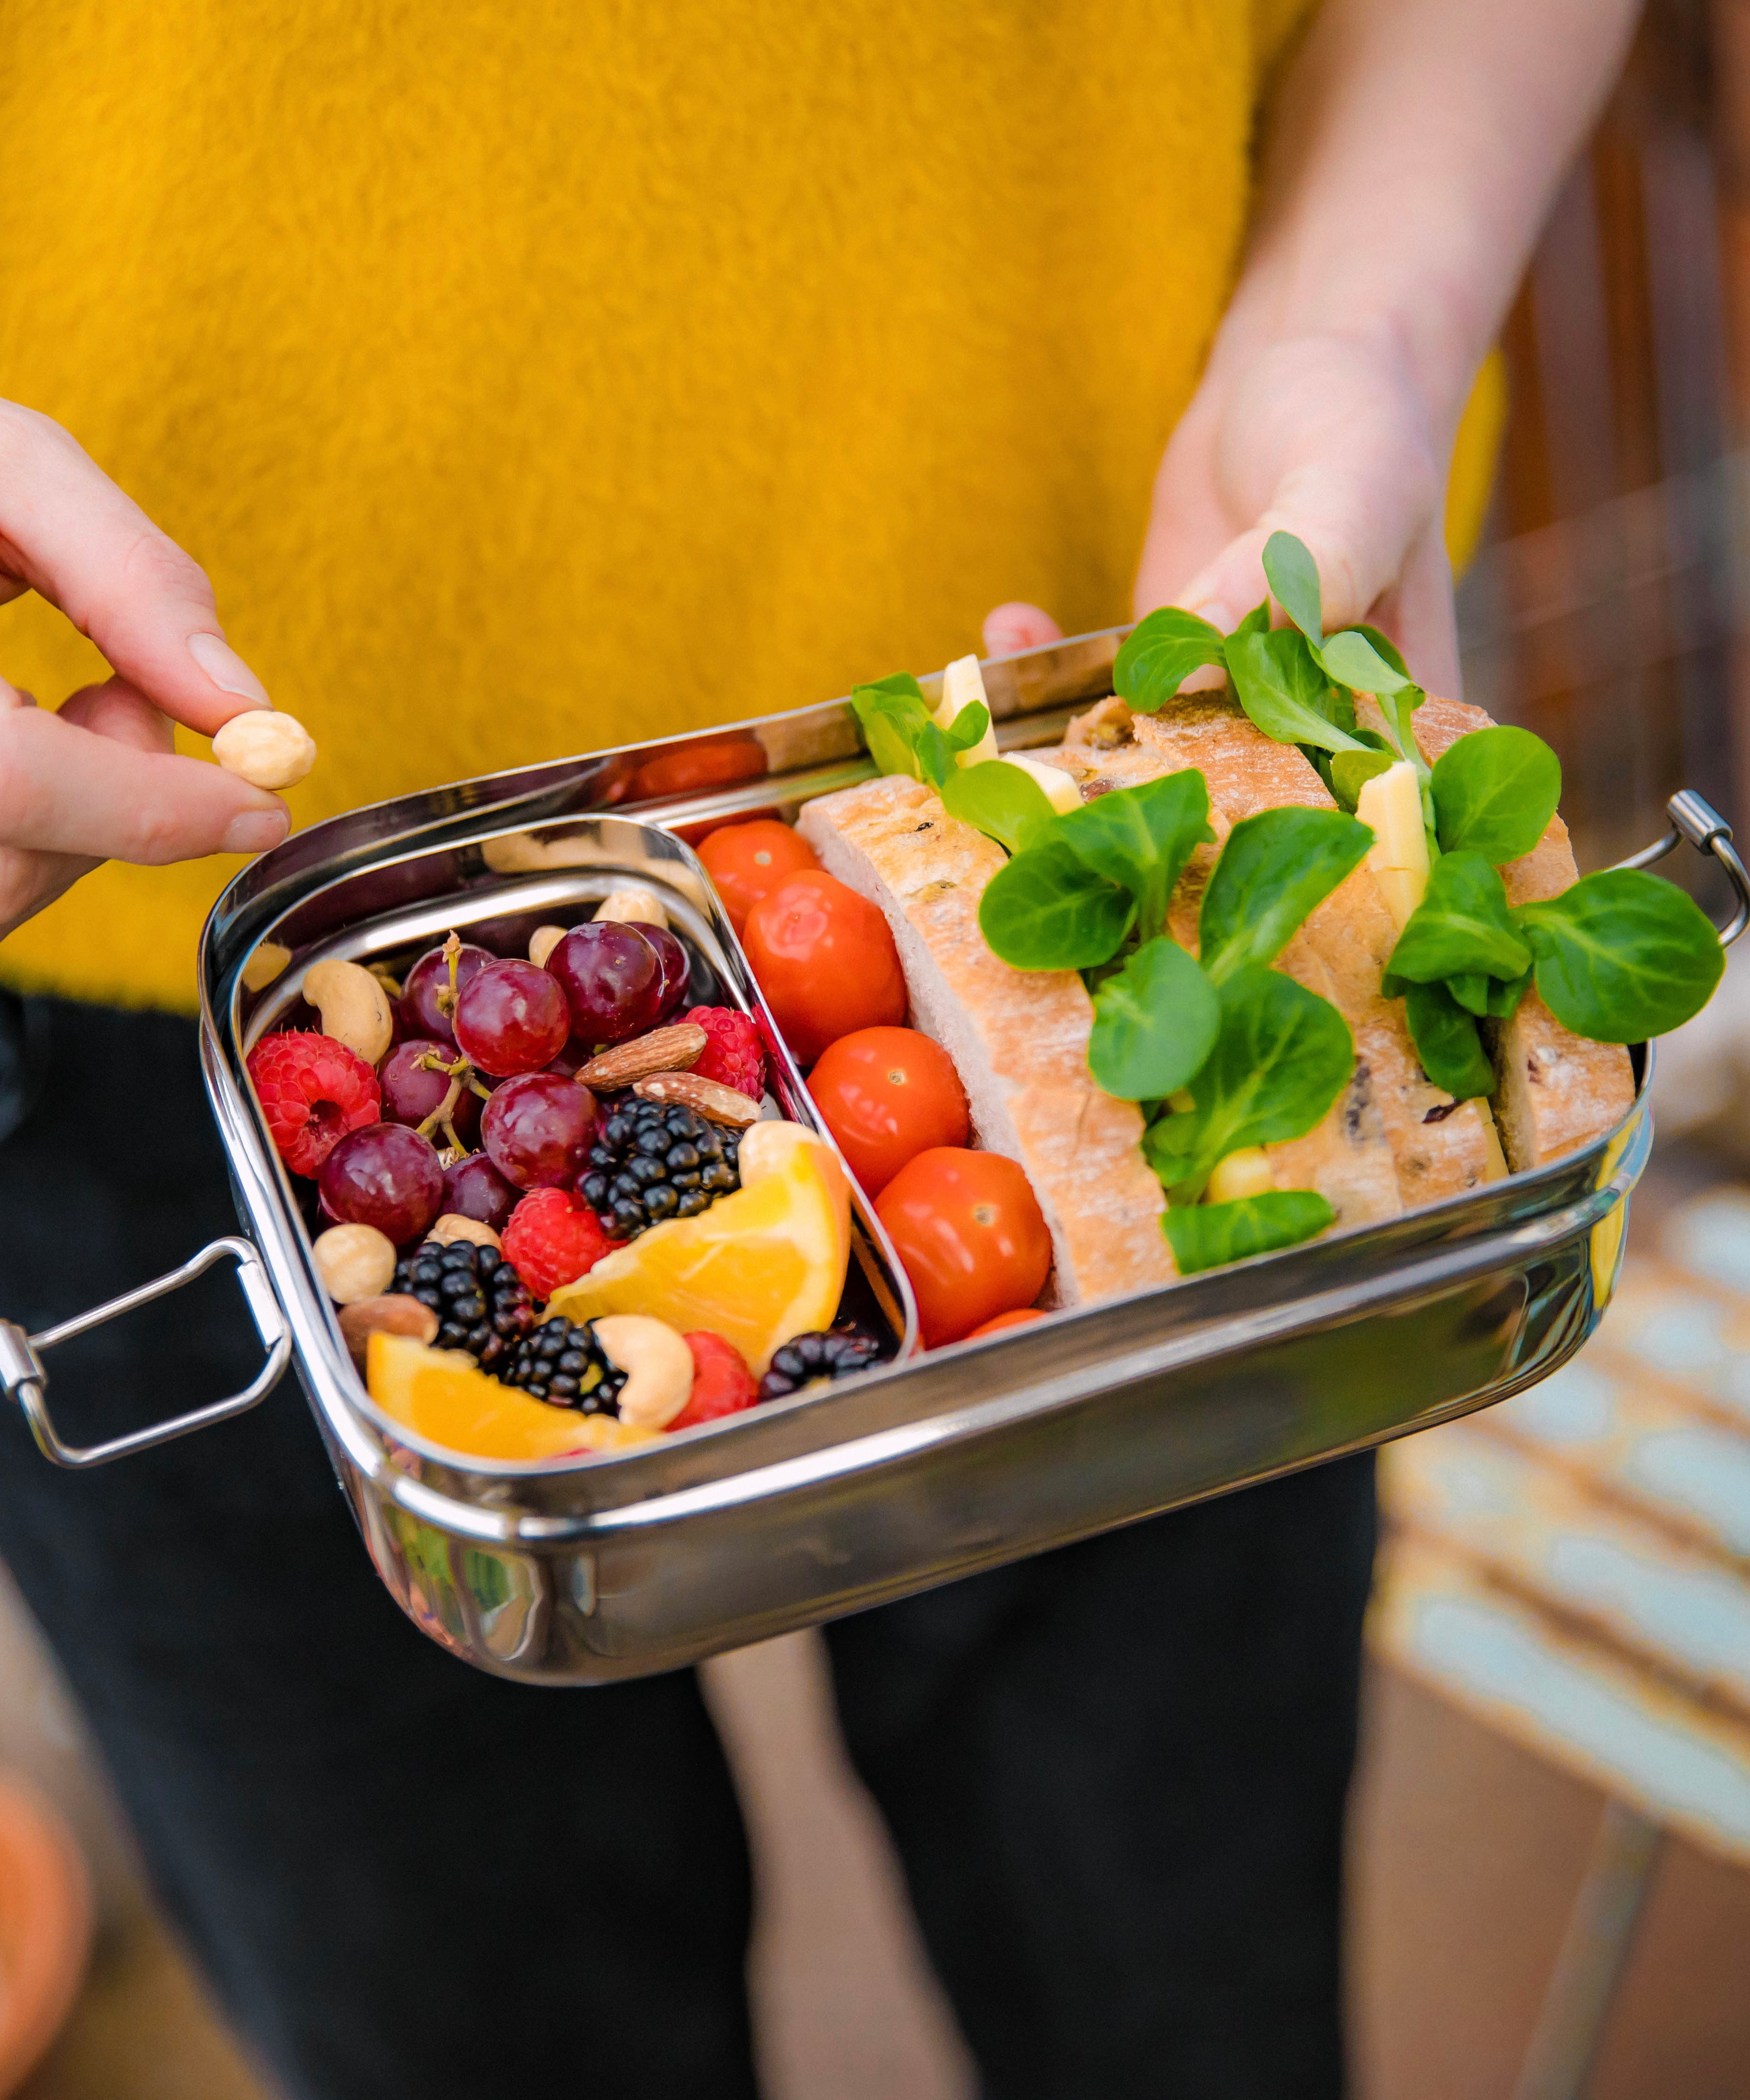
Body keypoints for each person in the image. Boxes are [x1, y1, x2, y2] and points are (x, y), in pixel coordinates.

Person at [0, 2, 1638, 2094]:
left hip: (1126, 854)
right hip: (112, 922)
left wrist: (1366, 323)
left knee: (1179, 1984)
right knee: (475, 2033)